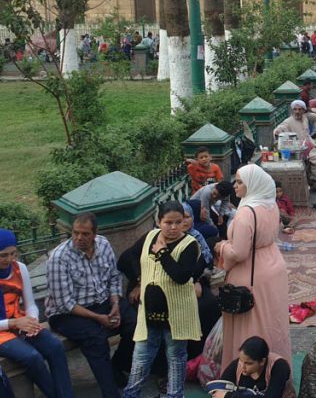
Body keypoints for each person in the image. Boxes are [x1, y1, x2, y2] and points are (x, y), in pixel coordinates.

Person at [0, 229, 72, 398]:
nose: (9, 259)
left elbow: (30, 304)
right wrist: (14, 323)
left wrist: (32, 320)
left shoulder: (19, 269)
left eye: (13, 253)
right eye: (3, 255)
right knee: (32, 356)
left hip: (17, 322)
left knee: (55, 347)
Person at [122, 202, 201, 398]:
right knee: (141, 356)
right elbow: (127, 257)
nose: (173, 227)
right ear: (159, 222)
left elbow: (180, 276)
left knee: (176, 357)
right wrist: (139, 279)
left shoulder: (190, 244)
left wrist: (163, 253)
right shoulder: (150, 237)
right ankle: (131, 394)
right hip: (149, 312)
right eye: (168, 222)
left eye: (178, 222)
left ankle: (175, 395)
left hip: (177, 314)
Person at [215, 165, 291, 370]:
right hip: (273, 266)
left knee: (250, 326)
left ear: (253, 184)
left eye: (240, 182)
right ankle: (275, 371)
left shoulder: (245, 214)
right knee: (272, 321)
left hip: (251, 272)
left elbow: (239, 253)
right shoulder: (271, 206)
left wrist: (222, 247)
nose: (235, 186)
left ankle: (247, 374)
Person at [45, 213, 124, 398]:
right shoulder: (59, 257)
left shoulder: (103, 244)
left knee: (135, 321)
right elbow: (64, 303)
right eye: (75, 233)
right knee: (96, 339)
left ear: (95, 233)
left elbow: (114, 277)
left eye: (85, 234)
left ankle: (117, 367)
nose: (79, 238)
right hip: (67, 314)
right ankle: (111, 393)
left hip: (101, 302)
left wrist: (115, 303)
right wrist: (98, 318)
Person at [274, 100, 316, 194]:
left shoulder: (305, 119)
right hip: (297, 150)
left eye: (299, 109)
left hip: (308, 145)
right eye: (295, 109)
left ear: (303, 110)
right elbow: (280, 128)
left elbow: (307, 135)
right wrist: (277, 132)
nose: (297, 112)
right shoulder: (288, 122)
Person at [212, 337, 296, 398]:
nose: (242, 366)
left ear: (262, 361)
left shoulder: (279, 367)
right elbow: (219, 389)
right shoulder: (237, 365)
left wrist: (229, 396)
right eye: (241, 361)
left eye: (248, 363)